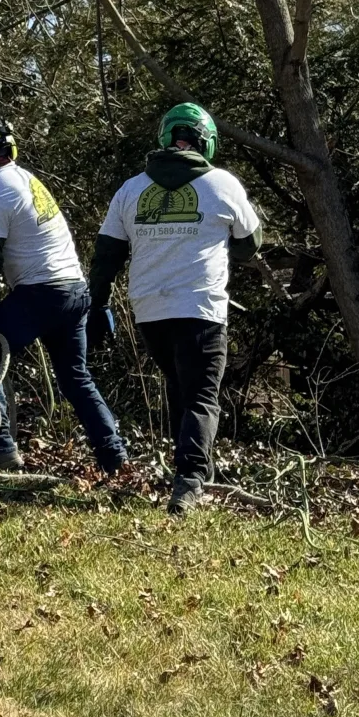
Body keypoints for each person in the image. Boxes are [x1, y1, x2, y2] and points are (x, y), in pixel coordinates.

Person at [87, 102, 262, 516]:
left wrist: (96, 305)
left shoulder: (131, 189)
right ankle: (190, 480)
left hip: (149, 310)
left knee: (179, 387)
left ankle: (189, 470)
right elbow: (251, 243)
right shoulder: (223, 184)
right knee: (202, 395)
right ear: (207, 141)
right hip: (200, 305)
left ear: (166, 138)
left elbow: (106, 255)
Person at [0, 116, 127, 475]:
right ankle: (115, 459)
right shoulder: (28, 180)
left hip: (43, 293)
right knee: (76, 378)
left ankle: (2, 452)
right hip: (76, 292)